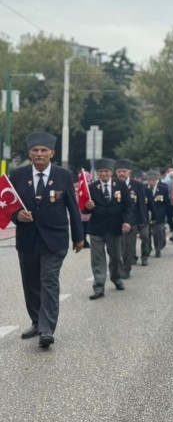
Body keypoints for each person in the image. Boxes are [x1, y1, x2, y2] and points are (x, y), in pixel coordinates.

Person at [10, 132, 84, 347]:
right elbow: (8, 206)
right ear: (29, 153)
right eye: (35, 150)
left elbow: (73, 207)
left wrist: (79, 237)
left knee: (49, 282)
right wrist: (17, 216)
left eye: (44, 150)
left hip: (55, 239)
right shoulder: (17, 175)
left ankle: (47, 329)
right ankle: (36, 322)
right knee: (31, 283)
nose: (39, 154)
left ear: (52, 153)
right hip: (27, 238)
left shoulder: (64, 175)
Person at [84, 158, 134, 299]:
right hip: (96, 228)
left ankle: (116, 278)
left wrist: (127, 221)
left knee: (116, 256)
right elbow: (84, 209)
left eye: (106, 171)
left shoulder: (120, 185)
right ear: (97, 173)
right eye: (101, 171)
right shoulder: (92, 187)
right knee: (97, 258)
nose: (104, 174)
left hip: (115, 227)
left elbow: (128, 205)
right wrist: (87, 207)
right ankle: (99, 286)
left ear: (111, 172)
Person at [145, 171, 169, 257]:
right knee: (146, 233)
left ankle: (158, 248)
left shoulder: (163, 189)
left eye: (153, 180)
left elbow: (167, 203)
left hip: (159, 214)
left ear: (156, 180)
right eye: (149, 180)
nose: (151, 182)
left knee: (157, 232)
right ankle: (147, 249)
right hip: (147, 214)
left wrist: (168, 216)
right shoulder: (143, 188)